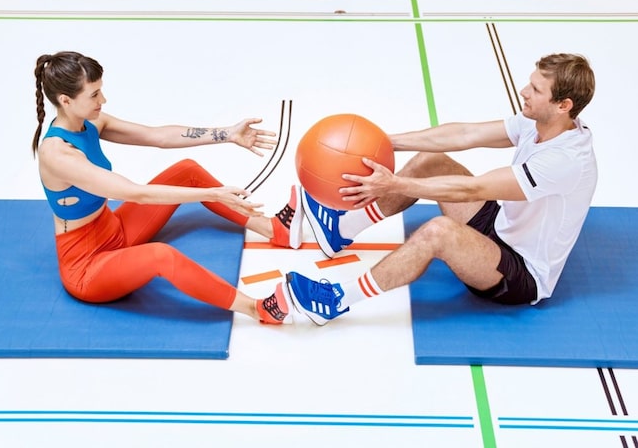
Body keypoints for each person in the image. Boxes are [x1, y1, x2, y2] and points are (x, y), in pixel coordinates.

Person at [282, 53, 597, 326]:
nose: (524, 91)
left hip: (520, 272)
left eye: (536, 89)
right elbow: (463, 135)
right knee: (430, 160)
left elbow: (472, 190)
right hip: (500, 228)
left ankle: (336, 301)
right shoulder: (539, 122)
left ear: (563, 105)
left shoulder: (566, 160)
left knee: (438, 232)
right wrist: (382, 142)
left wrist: (394, 183)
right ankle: (341, 229)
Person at [33, 51, 303, 325]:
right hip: (87, 265)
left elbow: (157, 136)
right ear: (66, 101)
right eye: (94, 95)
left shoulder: (89, 122)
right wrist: (212, 194)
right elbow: (136, 193)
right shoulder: (57, 155)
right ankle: (258, 309)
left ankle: (273, 229)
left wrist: (228, 134)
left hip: (113, 229)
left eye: (101, 91)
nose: (103, 100)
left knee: (186, 171)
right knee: (161, 256)